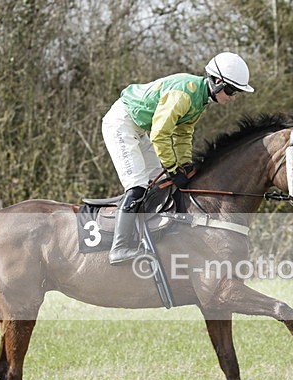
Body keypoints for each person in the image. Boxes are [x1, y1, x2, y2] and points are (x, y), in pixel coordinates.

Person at [102, 52, 255, 264]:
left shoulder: (200, 99)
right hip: (121, 124)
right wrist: (173, 168)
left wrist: (184, 165)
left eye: (236, 92)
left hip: (139, 128)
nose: (232, 96)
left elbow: (183, 134)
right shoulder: (184, 95)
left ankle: (149, 237)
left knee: (162, 184)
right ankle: (120, 248)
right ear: (217, 82)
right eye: (230, 90)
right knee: (137, 185)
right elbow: (160, 134)